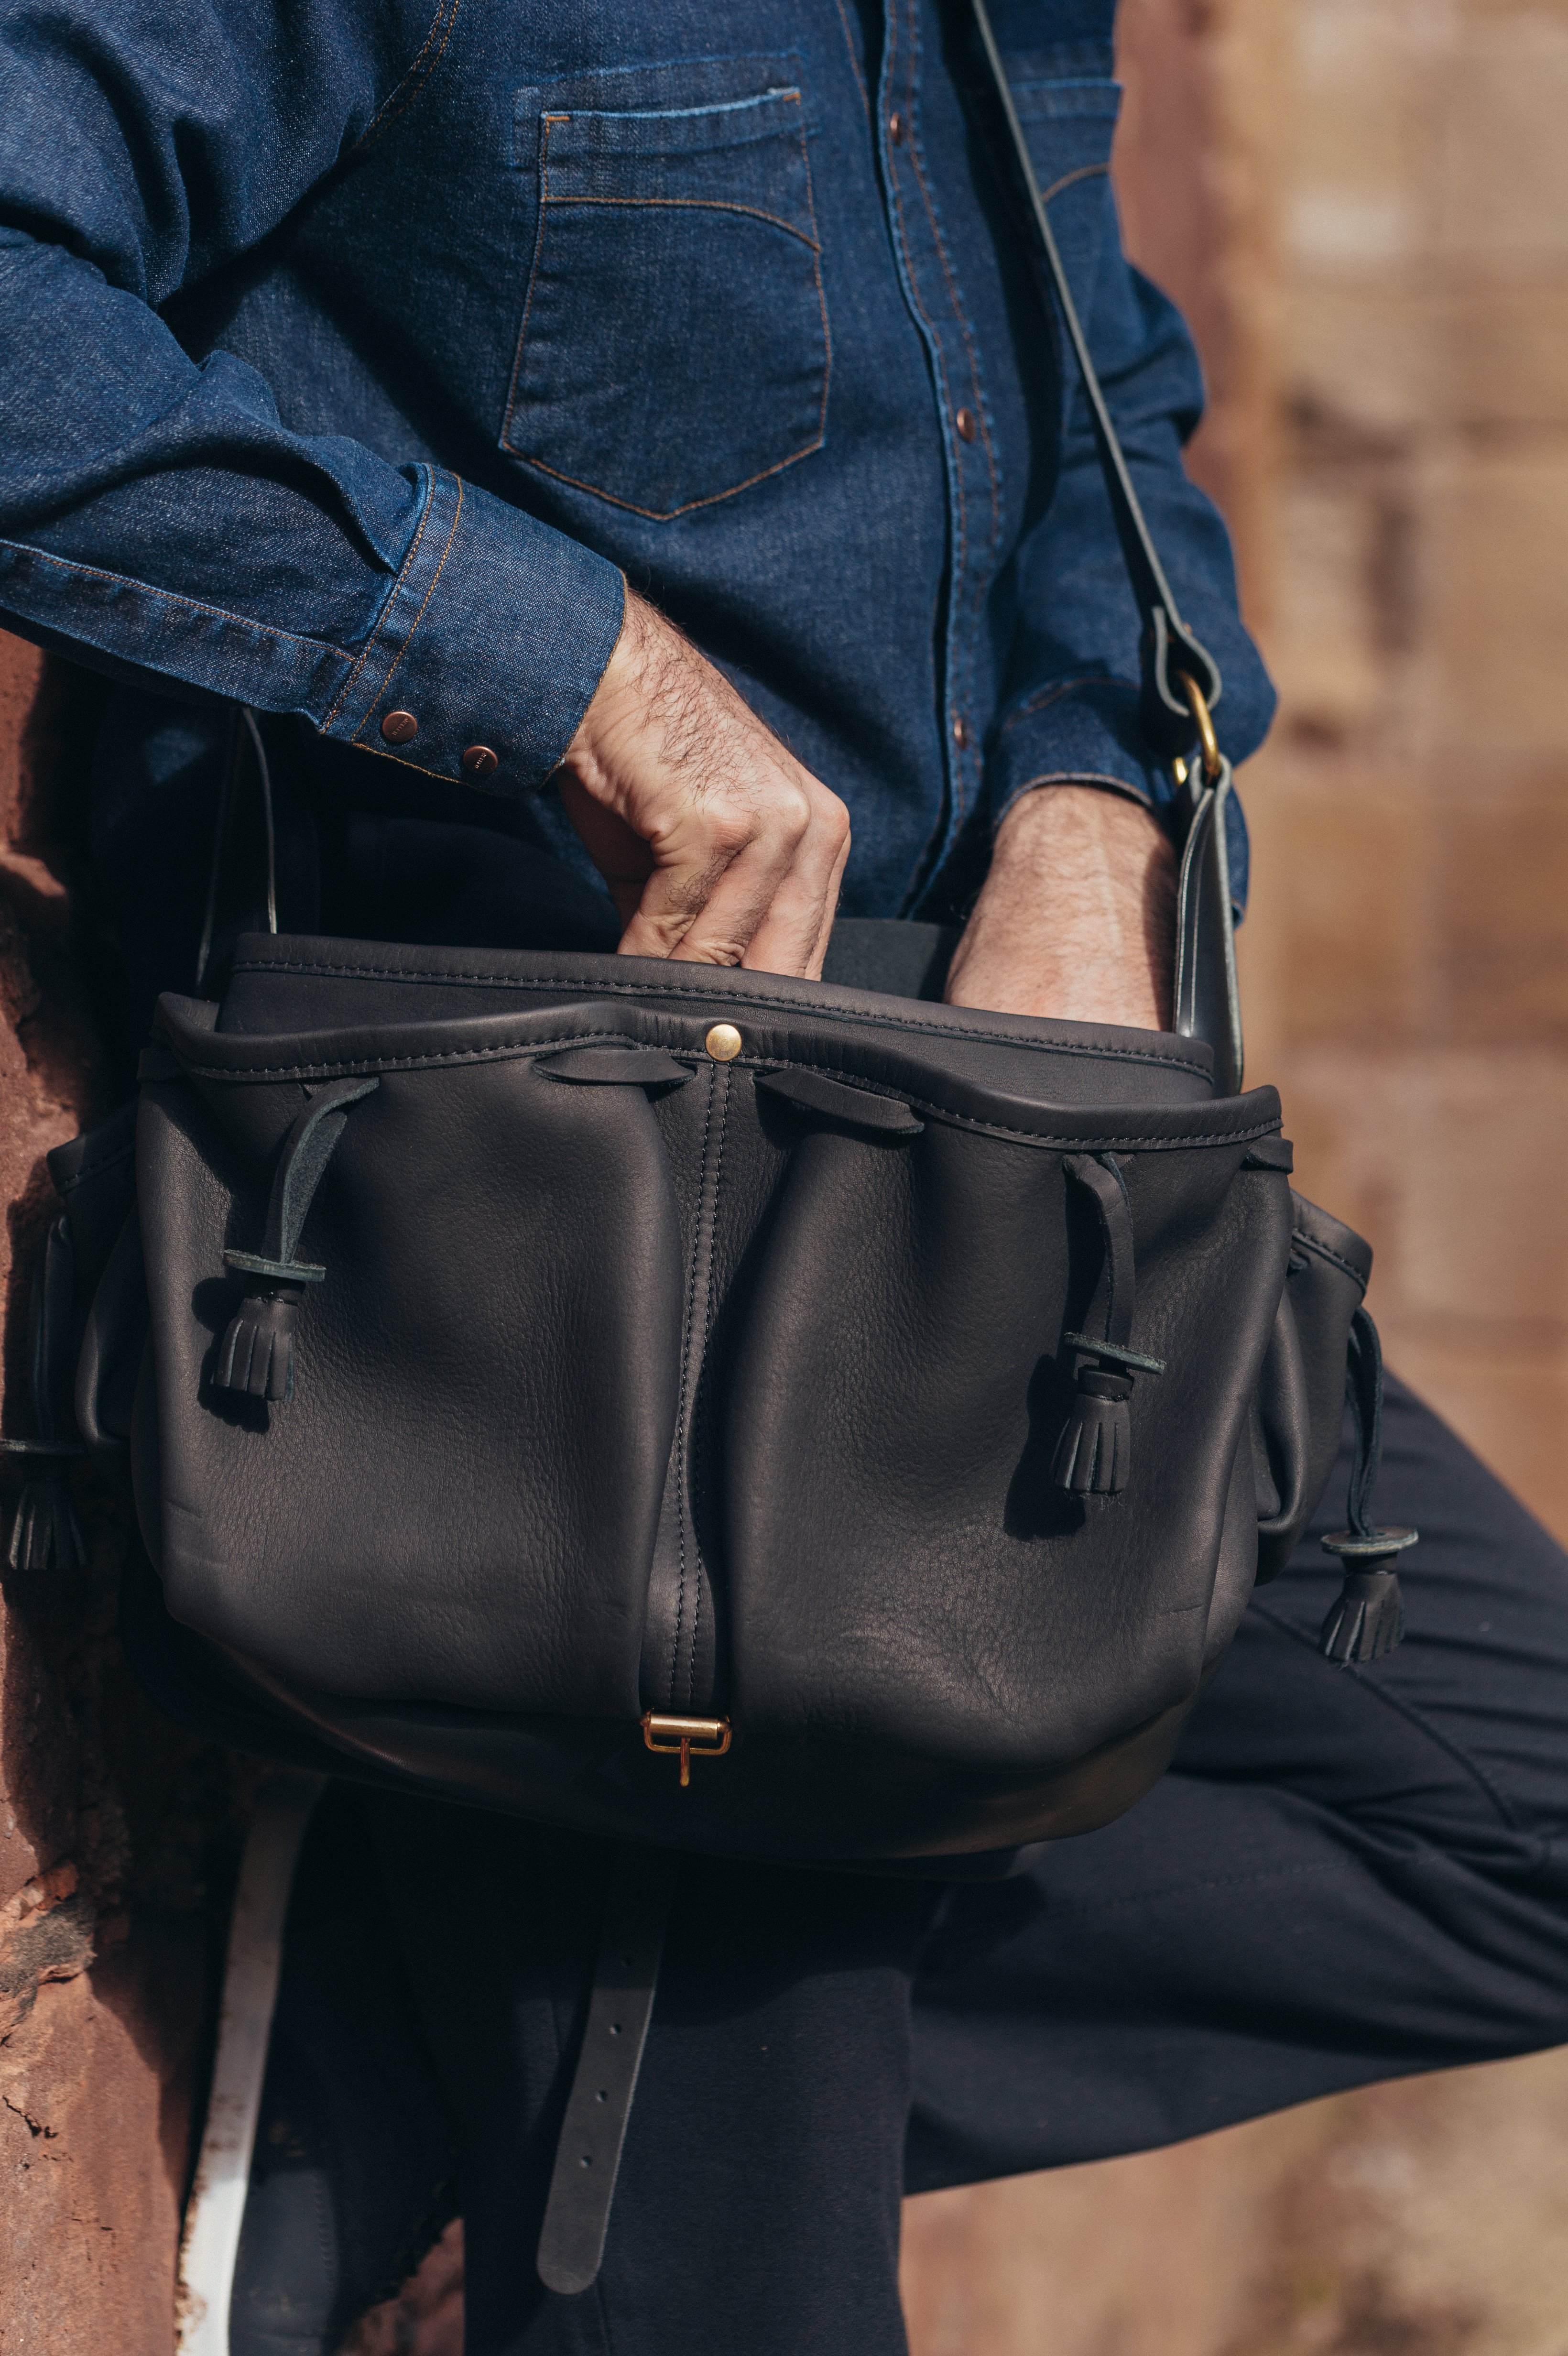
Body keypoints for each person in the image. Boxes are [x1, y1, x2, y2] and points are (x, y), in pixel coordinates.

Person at [2, 2, 1565, 2352]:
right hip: (575, 1214)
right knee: (741, 2288)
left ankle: (406, 2041)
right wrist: (561, 663)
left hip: (1005, 1177)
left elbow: (1104, 400)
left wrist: (1087, 802)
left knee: (1518, 1813)